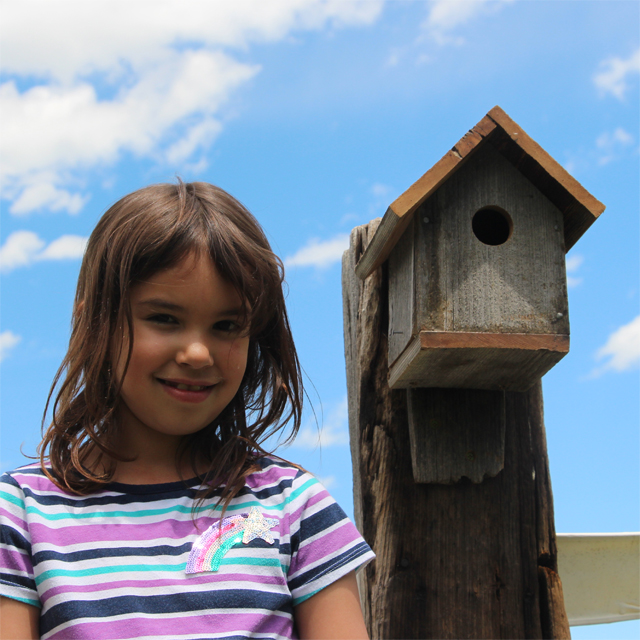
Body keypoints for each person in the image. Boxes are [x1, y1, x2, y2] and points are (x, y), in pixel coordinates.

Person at [0, 182, 374, 640]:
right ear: (92, 320)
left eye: (226, 325)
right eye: (164, 318)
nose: (198, 352)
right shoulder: (21, 513)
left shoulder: (294, 507)